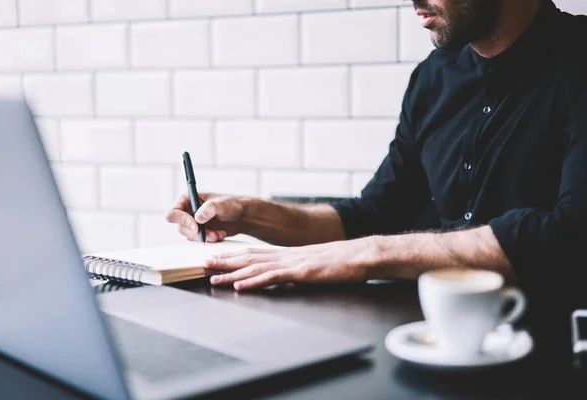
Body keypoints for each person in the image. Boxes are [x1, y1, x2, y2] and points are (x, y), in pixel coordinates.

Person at [167, 0, 587, 369]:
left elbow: (569, 234)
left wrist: (371, 253)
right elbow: (374, 213)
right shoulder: (434, 78)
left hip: (555, 357)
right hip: (433, 349)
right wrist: (249, 214)